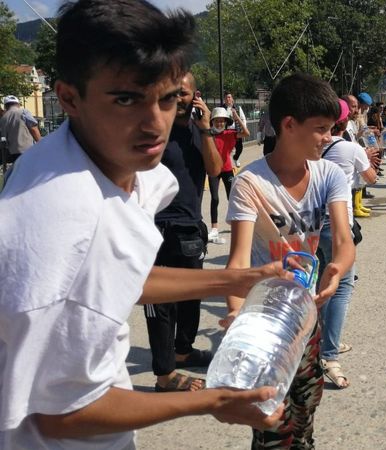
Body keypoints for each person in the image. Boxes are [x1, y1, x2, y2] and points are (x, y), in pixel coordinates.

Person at [0, 1, 287, 447]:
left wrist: (239, 279)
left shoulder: (74, 156)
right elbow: (63, 414)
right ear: (69, 97)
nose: (155, 124)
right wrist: (212, 401)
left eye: (168, 98)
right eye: (126, 99)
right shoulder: (68, 225)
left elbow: (114, 279)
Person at [223, 73, 355, 448]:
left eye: (331, 129)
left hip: (305, 316)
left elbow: (344, 239)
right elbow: (237, 260)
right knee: (271, 421)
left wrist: (338, 268)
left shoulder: (328, 173)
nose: (328, 137)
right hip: (265, 322)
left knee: (306, 407)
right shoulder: (250, 183)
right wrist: (235, 314)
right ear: (288, 125)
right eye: (321, 129)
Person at [142, 72, 225, 394]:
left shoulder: (198, 132)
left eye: (183, 93)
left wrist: (205, 129)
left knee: (192, 294)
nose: (178, 99)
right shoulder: (151, 130)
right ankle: (165, 374)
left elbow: (216, 170)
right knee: (159, 301)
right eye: (170, 93)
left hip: (189, 226)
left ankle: (183, 350)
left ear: (195, 96)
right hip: (153, 226)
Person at [318, 98, 377, 387]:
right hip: (339, 224)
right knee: (342, 286)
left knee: (319, 284)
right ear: (346, 122)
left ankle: (320, 341)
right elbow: (371, 178)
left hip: (312, 224)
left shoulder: (311, 149)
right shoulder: (351, 148)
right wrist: (368, 161)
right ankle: (329, 353)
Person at [207, 106, 250, 244]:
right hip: (213, 170)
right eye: (216, 121)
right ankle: (214, 228)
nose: (219, 123)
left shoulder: (230, 134)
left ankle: (235, 224)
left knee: (231, 197)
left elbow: (246, 133)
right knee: (214, 198)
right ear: (212, 122)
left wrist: (236, 117)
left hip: (227, 169)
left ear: (226, 122)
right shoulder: (208, 135)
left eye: (222, 121)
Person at [0, 95, 41, 164]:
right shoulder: (23, 112)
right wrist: (41, 143)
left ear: (5, 106)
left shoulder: (3, 119)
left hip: (13, 153)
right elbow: (33, 128)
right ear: (18, 104)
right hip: (27, 150)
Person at [224, 91, 247, 167]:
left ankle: (236, 158)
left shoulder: (238, 108)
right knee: (226, 149)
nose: (228, 99)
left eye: (229, 97)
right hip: (226, 131)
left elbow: (243, 119)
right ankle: (226, 163)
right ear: (224, 99)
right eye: (226, 97)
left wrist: (244, 129)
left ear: (232, 98)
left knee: (239, 148)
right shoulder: (222, 108)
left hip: (237, 131)